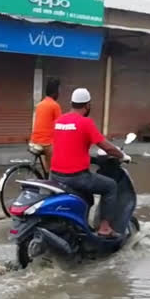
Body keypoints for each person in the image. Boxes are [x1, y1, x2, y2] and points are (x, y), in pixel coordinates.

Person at [50, 88, 128, 238]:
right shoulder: (85, 122)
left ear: (72, 103)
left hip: (54, 175)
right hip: (76, 178)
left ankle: (80, 225)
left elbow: (68, 146)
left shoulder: (59, 121)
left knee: (88, 197)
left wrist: (90, 159)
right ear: (87, 106)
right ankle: (105, 228)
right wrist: (122, 155)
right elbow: (106, 146)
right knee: (110, 186)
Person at [29, 78, 62, 173]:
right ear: (55, 92)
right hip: (47, 143)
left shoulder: (40, 105)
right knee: (57, 168)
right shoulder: (55, 105)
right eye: (59, 91)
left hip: (35, 140)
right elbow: (60, 126)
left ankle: (47, 175)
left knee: (47, 169)